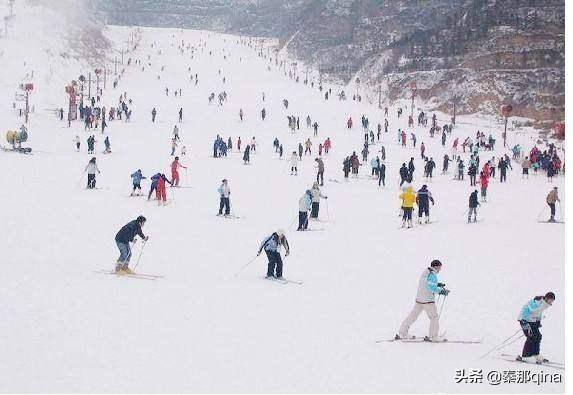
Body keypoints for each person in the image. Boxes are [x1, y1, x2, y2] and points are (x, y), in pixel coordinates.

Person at [396, 260, 449, 342]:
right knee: (434, 317)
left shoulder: (425, 273)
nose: (440, 269)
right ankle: (433, 336)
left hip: (419, 300)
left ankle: (402, 332)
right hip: (427, 301)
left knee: (412, 316)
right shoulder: (432, 275)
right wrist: (442, 291)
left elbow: (426, 283)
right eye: (439, 267)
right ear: (435, 266)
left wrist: (438, 284)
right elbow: (432, 287)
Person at [517, 292, 555, 364]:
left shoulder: (544, 304)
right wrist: (524, 321)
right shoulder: (537, 302)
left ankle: (535, 354)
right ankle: (526, 356)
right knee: (531, 336)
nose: (551, 302)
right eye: (551, 300)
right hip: (524, 320)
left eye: (552, 301)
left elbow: (539, 313)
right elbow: (529, 310)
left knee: (538, 336)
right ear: (546, 298)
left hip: (532, 321)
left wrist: (538, 321)